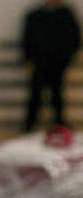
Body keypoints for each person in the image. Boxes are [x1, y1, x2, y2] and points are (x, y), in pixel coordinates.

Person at [22, 0, 81, 132]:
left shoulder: (66, 15)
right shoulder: (35, 15)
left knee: (57, 94)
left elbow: (74, 38)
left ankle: (59, 123)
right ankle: (29, 124)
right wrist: (27, 59)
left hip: (58, 63)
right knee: (35, 94)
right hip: (39, 62)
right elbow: (27, 38)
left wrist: (67, 58)